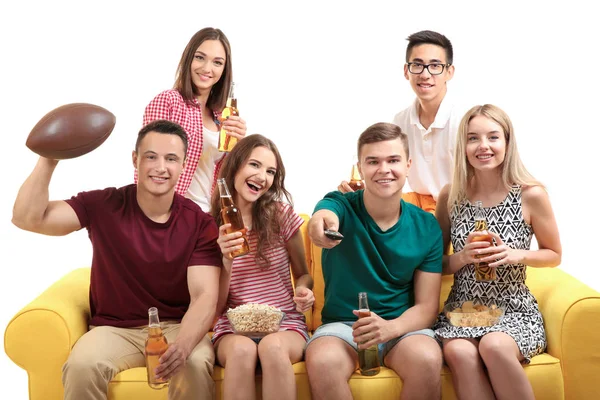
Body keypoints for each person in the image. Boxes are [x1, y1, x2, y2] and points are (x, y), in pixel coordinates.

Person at [12, 120, 223, 400]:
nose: (161, 167)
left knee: (195, 363)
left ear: (184, 165)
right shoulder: (104, 205)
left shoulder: (199, 222)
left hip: (176, 327)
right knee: (81, 365)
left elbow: (205, 295)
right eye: (151, 157)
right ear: (135, 159)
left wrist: (182, 347)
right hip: (113, 330)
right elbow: (27, 218)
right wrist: (49, 159)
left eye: (171, 159)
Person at [306, 122, 444, 400]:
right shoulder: (342, 205)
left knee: (427, 359)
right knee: (323, 360)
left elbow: (427, 307)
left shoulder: (427, 226)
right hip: (342, 327)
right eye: (373, 161)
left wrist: (389, 328)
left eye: (393, 160)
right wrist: (318, 229)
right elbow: (323, 216)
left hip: (401, 328)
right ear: (360, 166)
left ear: (408, 165)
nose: (384, 169)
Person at [434, 104, 562, 400]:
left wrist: (516, 254)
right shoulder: (451, 195)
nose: (483, 146)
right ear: (463, 145)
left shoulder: (531, 194)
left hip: (514, 309)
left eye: (493, 137)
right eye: (473, 138)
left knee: (494, 345)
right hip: (463, 310)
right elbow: (436, 265)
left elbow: (554, 254)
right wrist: (462, 257)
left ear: (507, 142)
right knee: (460, 352)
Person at [210, 134, 315, 400]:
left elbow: (303, 274)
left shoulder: (281, 215)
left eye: (271, 171)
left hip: (285, 324)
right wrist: (226, 260)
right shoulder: (209, 226)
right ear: (235, 165)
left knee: (272, 346)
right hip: (232, 327)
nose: (262, 176)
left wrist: (303, 291)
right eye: (254, 165)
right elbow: (217, 306)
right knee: (242, 350)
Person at [340, 30, 463, 213]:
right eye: (417, 65)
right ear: (406, 71)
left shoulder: (465, 120)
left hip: (461, 210)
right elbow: (392, 172)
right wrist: (368, 192)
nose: (425, 74)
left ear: (449, 72)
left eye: (435, 66)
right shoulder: (401, 121)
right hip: (418, 209)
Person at [141, 27, 247, 212]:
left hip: (207, 215)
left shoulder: (222, 116)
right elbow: (148, 163)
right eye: (200, 57)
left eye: (217, 62)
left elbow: (225, 177)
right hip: (171, 213)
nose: (207, 68)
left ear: (224, 69)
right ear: (189, 58)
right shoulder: (169, 101)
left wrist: (239, 147)